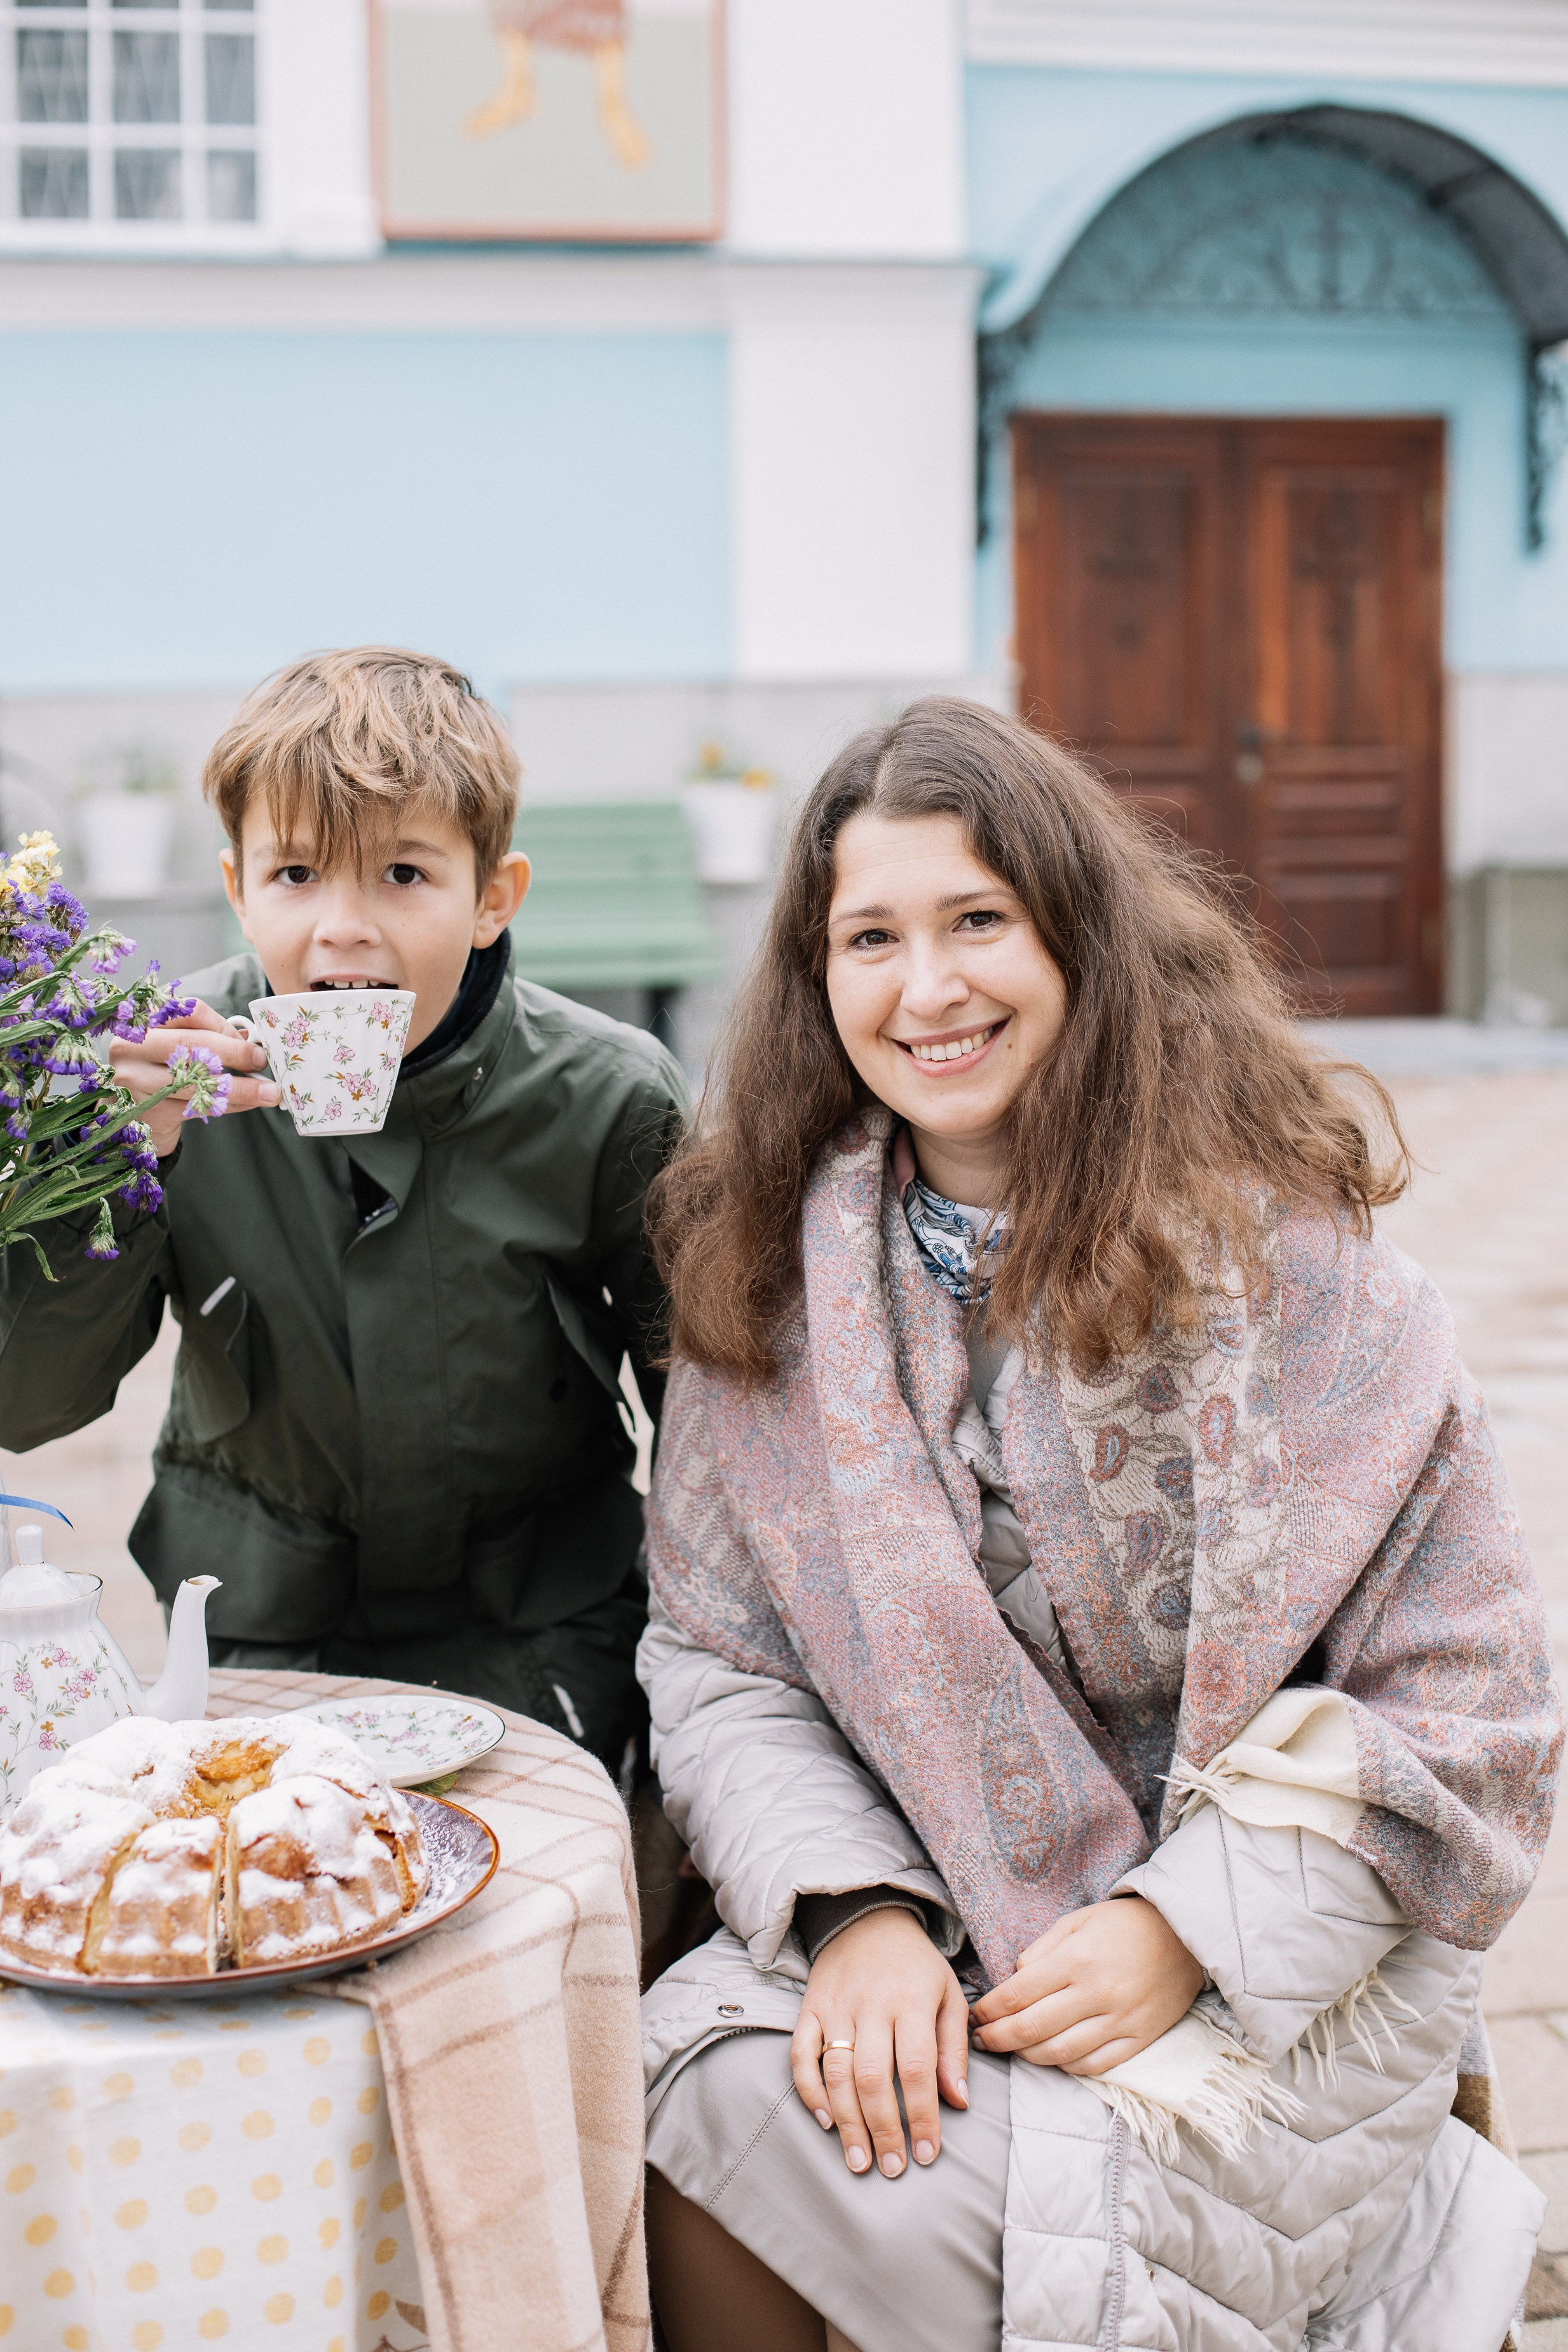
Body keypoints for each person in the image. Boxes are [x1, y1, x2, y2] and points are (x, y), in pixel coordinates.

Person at [634, 699, 1562, 2351]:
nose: (927, 988)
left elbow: (1470, 1706)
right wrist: (856, 1914)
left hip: (1274, 1970)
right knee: (695, 2071)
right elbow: (720, 1655)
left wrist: (1180, 1927)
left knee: (1016, 2217)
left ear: (1077, 935)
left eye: (977, 919)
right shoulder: (765, 1277)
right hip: (936, 1926)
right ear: (813, 973)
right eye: (872, 936)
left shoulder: (1300, 1271)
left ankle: (1417, 2234)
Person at [0, 646, 685, 1770]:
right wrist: (106, 1164)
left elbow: (714, 1434)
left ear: (491, 899)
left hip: (542, 1643)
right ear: (236, 888)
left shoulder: (610, 1101)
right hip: (260, 1644)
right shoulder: (155, 1075)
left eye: (405, 875)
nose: (343, 927)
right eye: (298, 875)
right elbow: (27, 1402)